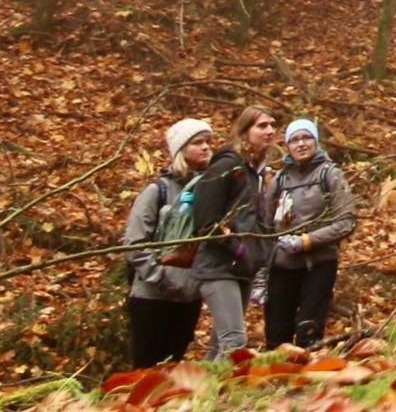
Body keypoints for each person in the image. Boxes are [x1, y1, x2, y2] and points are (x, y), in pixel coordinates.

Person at [120, 118, 213, 366]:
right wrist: (160, 277)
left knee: (172, 371)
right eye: (197, 142)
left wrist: (197, 284)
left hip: (188, 298)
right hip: (151, 298)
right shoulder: (156, 191)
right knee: (145, 370)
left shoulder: (211, 190)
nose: (206, 147)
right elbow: (134, 243)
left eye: (208, 142)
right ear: (181, 150)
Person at [184, 106, 274, 358]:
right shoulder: (226, 165)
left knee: (218, 347)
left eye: (271, 125)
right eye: (261, 125)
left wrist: (259, 254)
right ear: (245, 131)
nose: (270, 131)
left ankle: (203, 393)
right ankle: (228, 395)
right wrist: (238, 247)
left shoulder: (255, 171)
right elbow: (206, 221)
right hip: (218, 265)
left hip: (242, 267)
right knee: (234, 341)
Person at [261, 118, 354, 349]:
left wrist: (307, 241)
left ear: (316, 141)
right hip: (282, 266)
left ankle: (309, 377)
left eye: (306, 138)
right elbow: (265, 224)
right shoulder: (280, 179)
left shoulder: (329, 174)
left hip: (319, 264)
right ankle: (275, 378)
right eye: (294, 140)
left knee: (308, 330)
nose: (301, 144)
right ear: (287, 146)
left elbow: (346, 221)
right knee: (276, 332)